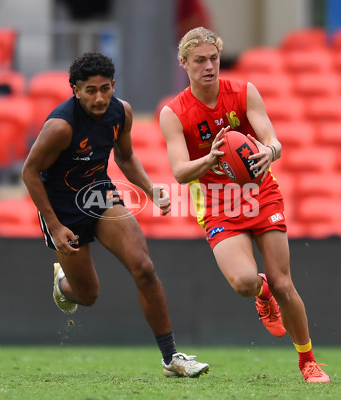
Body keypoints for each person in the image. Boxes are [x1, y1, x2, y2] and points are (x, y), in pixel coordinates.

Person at [22, 52, 209, 378]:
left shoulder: (121, 112)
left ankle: (171, 358)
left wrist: (151, 190)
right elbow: (29, 172)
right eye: (90, 90)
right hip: (63, 209)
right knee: (88, 295)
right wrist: (54, 226)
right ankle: (63, 284)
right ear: (75, 90)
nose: (99, 97)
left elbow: (125, 157)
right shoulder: (61, 127)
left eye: (105, 88)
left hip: (100, 195)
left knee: (144, 268)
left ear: (113, 86)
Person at [159, 27, 330, 383]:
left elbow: (272, 139)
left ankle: (308, 362)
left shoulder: (243, 91)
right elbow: (178, 172)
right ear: (184, 63)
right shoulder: (173, 112)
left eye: (214, 58)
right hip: (219, 203)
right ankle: (260, 292)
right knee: (243, 282)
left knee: (285, 283)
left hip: (260, 193)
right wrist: (210, 158)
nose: (209, 66)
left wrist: (269, 150)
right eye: (200, 60)